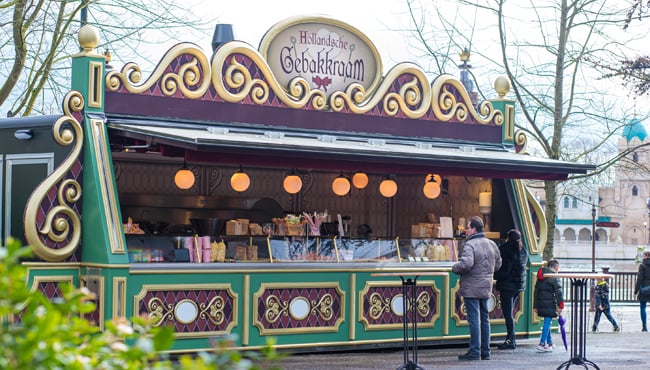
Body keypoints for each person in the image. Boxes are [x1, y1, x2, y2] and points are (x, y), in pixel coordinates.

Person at [452, 216, 502, 361]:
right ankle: (485, 351)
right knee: (485, 319)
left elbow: (466, 264)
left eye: (467, 227)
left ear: (473, 229)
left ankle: (474, 351)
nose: (466, 230)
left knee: (474, 319)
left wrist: (455, 267)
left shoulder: (470, 245)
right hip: (486, 286)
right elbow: (498, 264)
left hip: (472, 287)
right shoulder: (492, 244)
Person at [494, 229, 527, 349]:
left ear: (508, 238)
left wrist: (494, 275)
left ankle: (511, 340)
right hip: (518, 286)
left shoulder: (506, 249)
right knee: (510, 313)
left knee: (508, 313)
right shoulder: (523, 250)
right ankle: (511, 339)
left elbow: (504, 270)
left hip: (507, 286)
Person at [533, 259, 564, 353]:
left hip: (541, 303)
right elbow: (558, 292)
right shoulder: (554, 276)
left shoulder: (541, 275)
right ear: (556, 268)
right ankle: (542, 343)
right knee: (547, 322)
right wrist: (560, 305)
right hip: (550, 303)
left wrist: (535, 306)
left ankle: (550, 343)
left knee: (547, 321)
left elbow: (536, 291)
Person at [634, 250, 650, 332]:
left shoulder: (642, 266)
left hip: (644, 289)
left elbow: (639, 279)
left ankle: (644, 327)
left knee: (643, 307)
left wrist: (635, 291)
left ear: (644, 256)